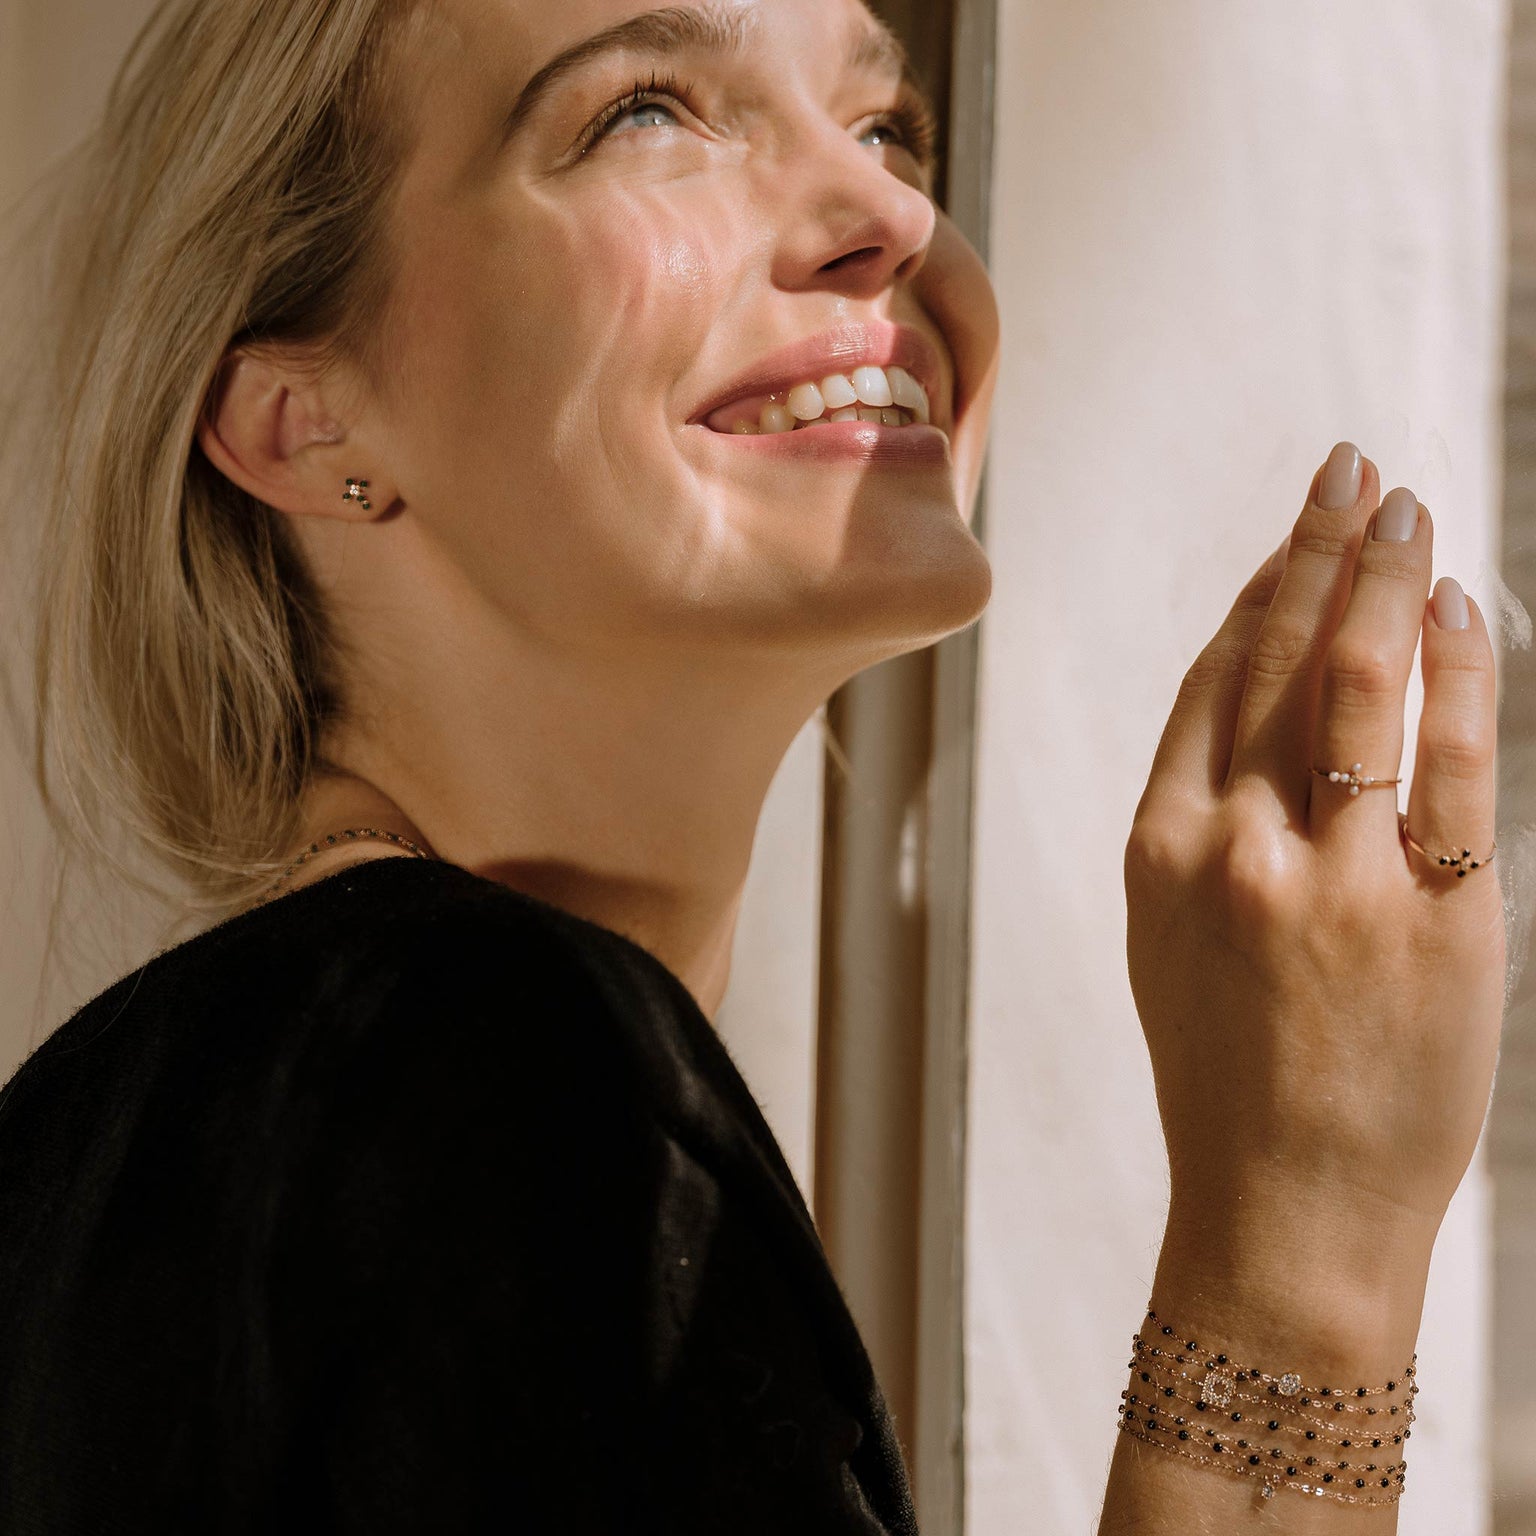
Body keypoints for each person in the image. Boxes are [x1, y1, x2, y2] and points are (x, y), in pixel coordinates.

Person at [0, 0, 1502, 1531]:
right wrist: (1308, 1246)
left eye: (883, 127)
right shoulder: (489, 1066)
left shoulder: (105, 1156)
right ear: (303, 420)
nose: (894, 216)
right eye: (647, 111)